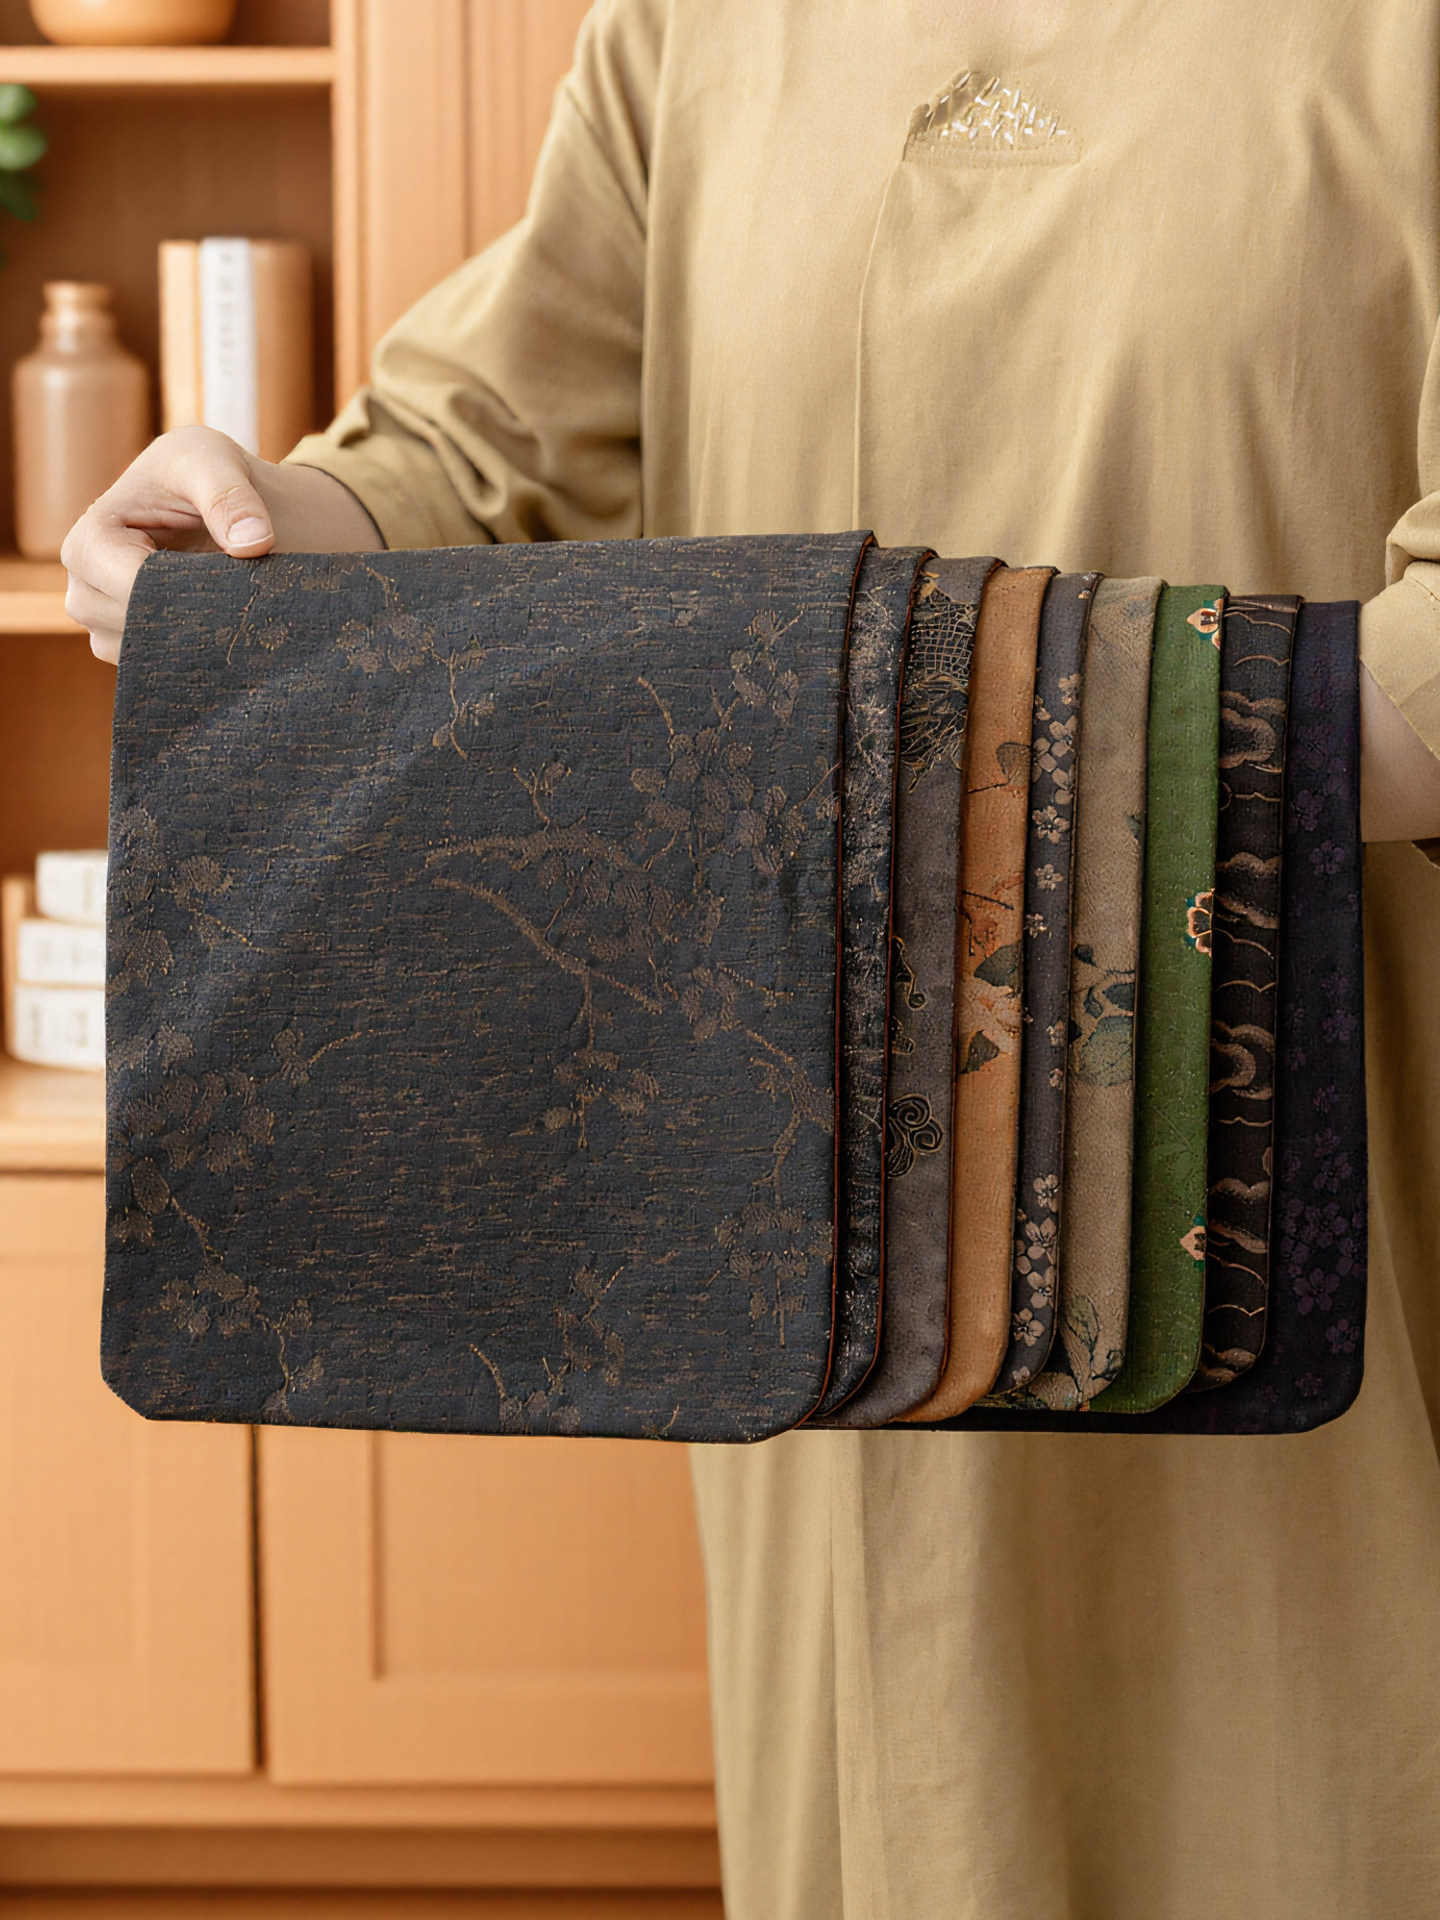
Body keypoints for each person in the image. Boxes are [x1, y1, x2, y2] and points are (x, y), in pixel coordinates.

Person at [63, 3, 1440, 1913]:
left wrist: (936, 757)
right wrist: (256, 540)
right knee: (888, 1789)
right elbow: (494, 441)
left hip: (1311, 1190)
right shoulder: (695, 24)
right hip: (811, 1216)